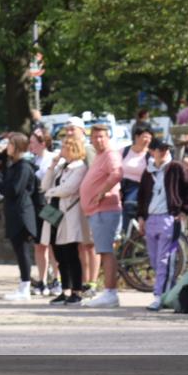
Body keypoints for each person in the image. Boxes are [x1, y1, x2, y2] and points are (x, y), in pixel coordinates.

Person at [136, 139, 188, 311]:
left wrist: (184, 210)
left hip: (170, 219)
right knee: (155, 260)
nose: (164, 152)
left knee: (166, 260)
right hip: (151, 219)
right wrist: (141, 216)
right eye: (160, 149)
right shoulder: (148, 172)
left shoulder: (176, 167)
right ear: (152, 151)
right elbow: (142, 195)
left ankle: (160, 296)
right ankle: (170, 292)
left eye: (166, 149)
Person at [0, 133, 38, 301]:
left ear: (17, 146)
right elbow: (6, 183)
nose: (6, 146)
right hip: (14, 213)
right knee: (19, 250)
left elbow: (13, 190)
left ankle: (25, 287)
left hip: (22, 214)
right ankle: (23, 284)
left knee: (23, 251)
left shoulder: (23, 167)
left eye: (9, 144)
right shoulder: (14, 165)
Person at [79, 124, 123, 308]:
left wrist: (102, 192)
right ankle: (108, 292)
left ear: (108, 137)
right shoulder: (99, 156)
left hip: (105, 209)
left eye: (101, 136)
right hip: (96, 211)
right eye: (95, 137)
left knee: (106, 251)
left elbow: (117, 174)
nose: (98, 140)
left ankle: (110, 293)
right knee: (103, 250)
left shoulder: (111, 154)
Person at [41, 136, 88, 305]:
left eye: (63, 147)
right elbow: (44, 185)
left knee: (71, 253)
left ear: (72, 149)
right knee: (59, 254)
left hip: (68, 214)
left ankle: (76, 290)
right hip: (53, 212)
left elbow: (69, 189)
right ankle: (65, 289)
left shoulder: (80, 167)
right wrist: (52, 166)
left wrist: (50, 192)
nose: (60, 150)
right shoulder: (61, 167)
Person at [64, 117, 99, 294]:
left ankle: (92, 281)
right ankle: (84, 280)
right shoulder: (68, 149)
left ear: (82, 131)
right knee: (80, 244)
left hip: (88, 202)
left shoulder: (88, 149)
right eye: (67, 129)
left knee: (90, 244)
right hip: (74, 204)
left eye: (73, 129)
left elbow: (94, 175)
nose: (69, 132)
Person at [30, 128, 61, 297]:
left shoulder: (52, 158)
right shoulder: (33, 160)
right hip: (37, 205)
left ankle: (57, 279)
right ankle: (42, 281)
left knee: (52, 244)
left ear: (43, 143)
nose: (30, 145)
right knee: (39, 245)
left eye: (33, 142)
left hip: (51, 205)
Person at [120, 125, 153, 233]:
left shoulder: (150, 155)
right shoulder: (124, 151)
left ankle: (128, 233)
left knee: (130, 205)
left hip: (137, 186)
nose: (148, 140)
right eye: (145, 137)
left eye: (150, 138)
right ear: (136, 137)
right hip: (121, 185)